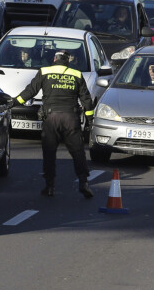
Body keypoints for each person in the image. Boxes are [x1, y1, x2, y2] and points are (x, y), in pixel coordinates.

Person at [10, 51, 94, 199]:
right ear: (68, 61)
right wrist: (90, 120)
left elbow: (30, 91)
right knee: (78, 152)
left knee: (49, 153)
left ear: (54, 59)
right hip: (70, 118)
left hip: (51, 118)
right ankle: (83, 182)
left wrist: (14, 103)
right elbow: (86, 100)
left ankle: (50, 186)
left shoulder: (44, 72)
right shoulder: (77, 74)